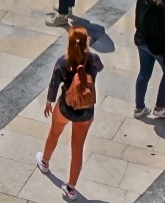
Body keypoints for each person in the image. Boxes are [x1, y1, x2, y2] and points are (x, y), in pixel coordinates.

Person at [36, 25, 101, 200]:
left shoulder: (62, 62)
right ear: (86, 41)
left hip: (66, 107)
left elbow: (54, 84)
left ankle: (45, 162)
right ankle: (71, 189)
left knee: (54, 133)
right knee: (77, 149)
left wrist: (49, 102)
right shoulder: (94, 59)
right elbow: (98, 69)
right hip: (86, 111)